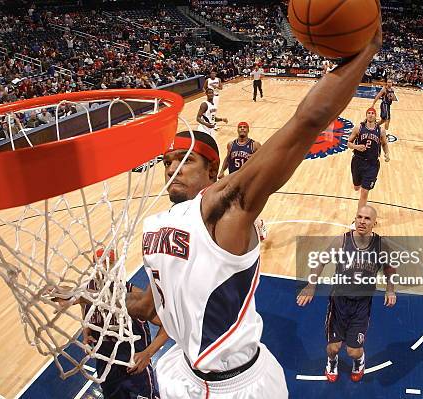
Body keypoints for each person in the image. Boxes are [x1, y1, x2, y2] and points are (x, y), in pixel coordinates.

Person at [122, 18, 382, 399]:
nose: (173, 168)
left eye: (186, 160)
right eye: (168, 160)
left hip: (241, 386)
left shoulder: (221, 207)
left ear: (213, 169)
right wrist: (95, 293)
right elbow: (148, 307)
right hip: (182, 375)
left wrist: (366, 50)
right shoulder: (154, 227)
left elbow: (305, 123)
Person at [296, 206, 397, 383]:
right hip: (339, 302)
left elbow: (390, 267)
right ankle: (331, 361)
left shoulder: (381, 245)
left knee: (353, 351)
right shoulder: (342, 241)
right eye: (359, 217)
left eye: (367, 218)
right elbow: (320, 261)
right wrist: (311, 286)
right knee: (333, 348)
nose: (362, 221)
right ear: (355, 219)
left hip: (362, 305)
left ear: (375, 223)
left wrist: (390, 289)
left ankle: (359, 361)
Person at [79, 249, 168, 399]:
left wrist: (148, 353)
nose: (101, 270)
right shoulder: (88, 295)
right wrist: (86, 334)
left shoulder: (134, 298)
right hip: (106, 368)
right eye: (98, 266)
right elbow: (86, 317)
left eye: (106, 266)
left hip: (133, 368)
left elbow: (167, 326)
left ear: (115, 268)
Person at [218, 122, 267, 241]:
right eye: (240, 127)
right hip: (233, 179)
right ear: (237, 130)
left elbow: (262, 159)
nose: (242, 129)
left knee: (248, 205)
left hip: (248, 180)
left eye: (244, 127)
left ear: (248, 130)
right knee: (231, 204)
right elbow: (228, 158)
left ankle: (260, 224)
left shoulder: (254, 145)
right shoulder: (231, 144)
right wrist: (221, 171)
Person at [347, 108, 390, 219]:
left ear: (376, 116)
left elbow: (384, 144)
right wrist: (356, 147)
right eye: (369, 113)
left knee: (365, 192)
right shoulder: (359, 128)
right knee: (357, 187)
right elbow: (348, 143)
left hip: (372, 165)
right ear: (366, 115)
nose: (371, 115)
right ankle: (360, 183)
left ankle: (358, 218)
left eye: (373, 113)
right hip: (358, 161)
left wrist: (387, 153)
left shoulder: (380, 131)